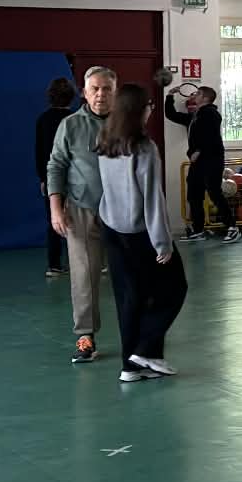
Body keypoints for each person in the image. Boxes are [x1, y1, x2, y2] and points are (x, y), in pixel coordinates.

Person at [95, 83, 187, 384]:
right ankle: (146, 349)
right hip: (139, 232)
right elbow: (152, 198)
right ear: (138, 110)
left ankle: (131, 367)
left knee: (130, 298)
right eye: (148, 105)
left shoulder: (104, 139)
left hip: (111, 226)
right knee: (175, 288)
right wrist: (163, 243)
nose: (151, 110)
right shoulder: (144, 147)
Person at [48, 66, 116, 363]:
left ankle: (140, 337)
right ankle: (85, 336)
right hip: (81, 210)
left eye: (107, 89)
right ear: (84, 93)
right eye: (95, 89)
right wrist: (56, 208)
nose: (101, 94)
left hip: (123, 213)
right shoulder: (70, 125)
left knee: (130, 275)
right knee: (84, 276)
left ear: (115, 92)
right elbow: (56, 165)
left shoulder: (126, 123)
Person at [168, 84, 239, 243]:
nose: (194, 95)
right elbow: (171, 115)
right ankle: (198, 230)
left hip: (212, 160)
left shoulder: (212, 114)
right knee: (194, 194)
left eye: (198, 93)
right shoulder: (195, 116)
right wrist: (169, 96)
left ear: (206, 98)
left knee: (215, 193)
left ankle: (233, 227)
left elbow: (211, 136)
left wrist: (198, 151)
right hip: (198, 162)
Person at [35, 76, 78, 278]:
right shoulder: (75, 119)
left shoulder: (43, 119)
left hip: (51, 178)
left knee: (54, 220)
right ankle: (81, 261)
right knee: (79, 220)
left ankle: (54, 264)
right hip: (75, 177)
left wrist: (43, 178)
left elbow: (39, 151)